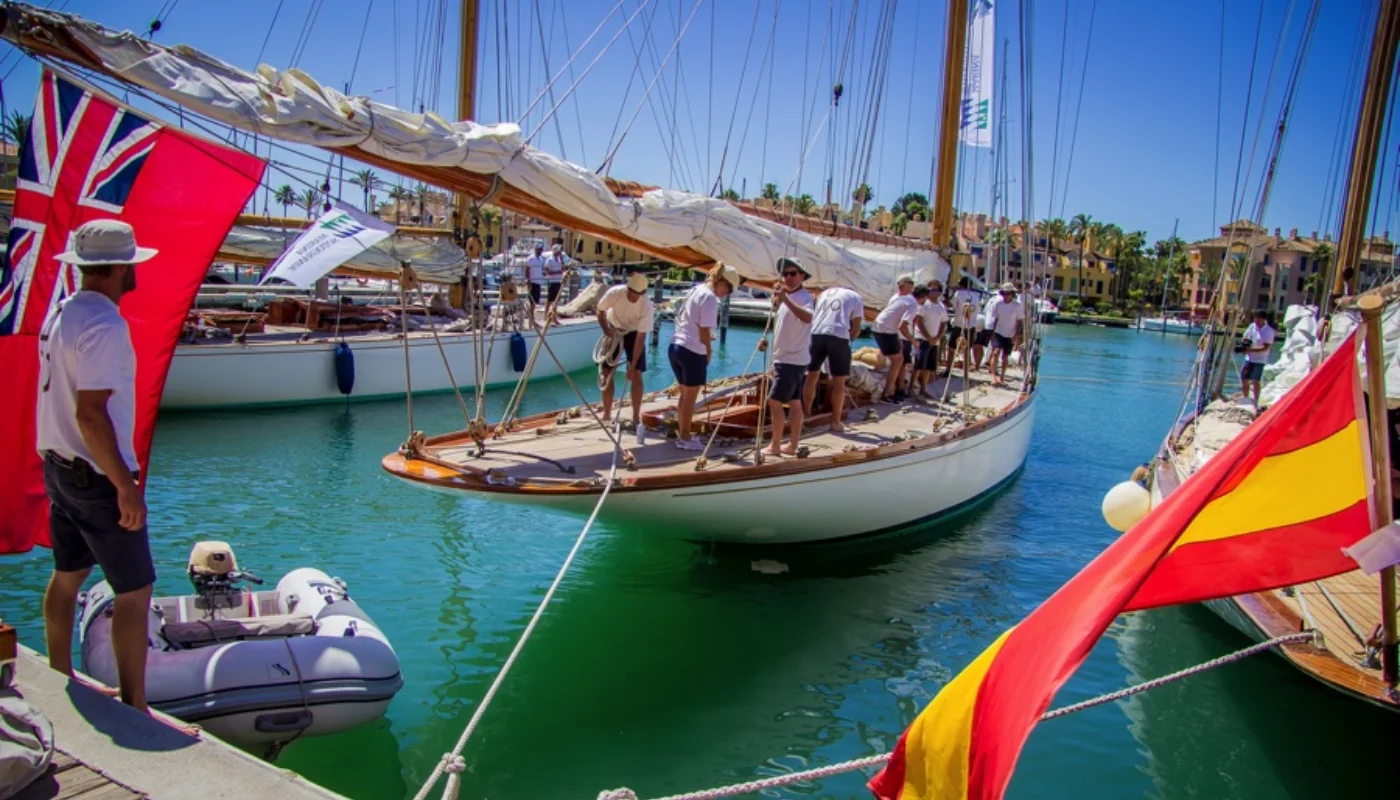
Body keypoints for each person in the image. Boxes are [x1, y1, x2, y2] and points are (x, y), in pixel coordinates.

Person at [36, 220, 166, 720]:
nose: (134, 270)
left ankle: (59, 673)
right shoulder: (107, 326)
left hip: (58, 468)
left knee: (67, 574)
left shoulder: (61, 314)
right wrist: (124, 488)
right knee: (134, 592)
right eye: (131, 262)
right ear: (119, 268)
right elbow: (91, 414)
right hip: (94, 477)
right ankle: (136, 706)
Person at [669, 264, 739, 449]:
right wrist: (709, 350)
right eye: (729, 289)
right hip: (692, 350)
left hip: (677, 345)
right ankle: (684, 437)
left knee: (684, 395)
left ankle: (683, 433)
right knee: (690, 397)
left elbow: (693, 321)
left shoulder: (695, 290)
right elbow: (703, 330)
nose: (727, 293)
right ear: (721, 282)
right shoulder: (709, 298)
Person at [766, 258, 814, 457]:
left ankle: (775, 445)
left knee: (774, 402)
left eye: (793, 273)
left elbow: (808, 317)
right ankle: (792, 445)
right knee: (794, 403)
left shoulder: (804, 297)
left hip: (791, 360)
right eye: (785, 274)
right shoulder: (787, 297)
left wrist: (785, 299)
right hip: (785, 359)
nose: (789, 277)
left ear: (802, 276)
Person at [596, 271, 655, 428]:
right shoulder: (615, 293)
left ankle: (636, 416)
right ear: (627, 287)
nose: (633, 296)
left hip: (634, 333)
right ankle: (607, 413)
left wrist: (633, 364)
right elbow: (600, 309)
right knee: (607, 373)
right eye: (631, 291)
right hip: (614, 328)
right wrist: (605, 329)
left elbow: (641, 337)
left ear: (642, 293)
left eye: (637, 294)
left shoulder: (647, 306)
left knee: (636, 374)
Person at [803, 284, 864, 432]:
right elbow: (856, 329)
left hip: (816, 334)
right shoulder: (856, 297)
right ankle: (835, 422)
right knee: (839, 383)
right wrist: (849, 341)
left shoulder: (824, 293)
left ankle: (805, 416)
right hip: (838, 335)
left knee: (812, 377)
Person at [872, 274, 919, 401]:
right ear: (907, 285)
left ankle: (897, 389)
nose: (912, 286)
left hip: (878, 327)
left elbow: (892, 316)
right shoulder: (912, 303)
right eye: (911, 283)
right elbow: (902, 326)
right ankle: (888, 393)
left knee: (899, 358)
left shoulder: (895, 297)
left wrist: (898, 339)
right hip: (886, 331)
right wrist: (914, 341)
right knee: (898, 361)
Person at [912, 283, 948, 399]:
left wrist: (938, 337)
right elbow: (919, 321)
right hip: (922, 338)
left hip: (934, 341)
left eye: (937, 290)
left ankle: (923, 389)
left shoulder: (941, 306)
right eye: (931, 290)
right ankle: (911, 389)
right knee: (918, 365)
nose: (934, 292)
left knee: (929, 367)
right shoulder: (923, 305)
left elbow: (943, 323)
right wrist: (928, 337)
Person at [985, 282, 1025, 386]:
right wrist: (992, 333)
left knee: (1005, 357)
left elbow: (1020, 321)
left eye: (1008, 294)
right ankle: (993, 376)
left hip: (1010, 334)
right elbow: (994, 319)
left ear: (1012, 294)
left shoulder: (1017, 306)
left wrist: (1017, 335)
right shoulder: (997, 304)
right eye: (1004, 294)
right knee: (995, 352)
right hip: (998, 332)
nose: (1006, 296)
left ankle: (1002, 375)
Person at [944, 276, 979, 374]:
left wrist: (943, 298)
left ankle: (948, 370)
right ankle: (965, 372)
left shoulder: (959, 293)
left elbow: (950, 304)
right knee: (967, 350)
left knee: (951, 348)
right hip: (971, 326)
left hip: (959, 325)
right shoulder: (976, 295)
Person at [1239, 310, 1276, 405]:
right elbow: (1244, 337)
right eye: (1255, 318)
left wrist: (1250, 350)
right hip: (1248, 358)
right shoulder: (1252, 326)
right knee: (1244, 378)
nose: (1257, 320)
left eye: (1259, 318)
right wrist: (1245, 344)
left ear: (1264, 319)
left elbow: (1265, 347)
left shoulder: (1269, 331)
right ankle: (1245, 398)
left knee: (1256, 380)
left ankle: (1255, 401)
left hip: (1260, 360)